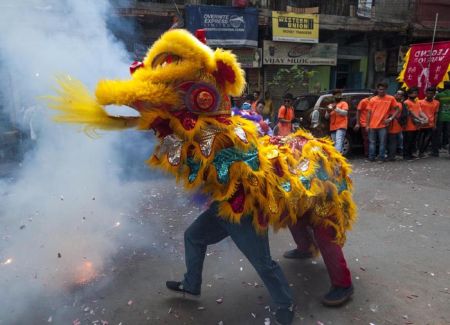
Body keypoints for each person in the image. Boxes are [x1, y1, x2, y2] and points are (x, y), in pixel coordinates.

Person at [283, 212, 354, 307]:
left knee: (324, 231)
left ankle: (343, 285)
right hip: (296, 199)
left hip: (323, 202)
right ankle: (306, 248)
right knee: (292, 217)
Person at [366, 82, 398, 162]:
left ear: (386, 90)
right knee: (372, 143)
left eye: (383, 89)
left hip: (383, 125)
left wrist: (390, 118)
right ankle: (371, 158)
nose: (381, 91)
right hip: (372, 125)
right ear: (377, 89)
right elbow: (368, 113)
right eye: (380, 89)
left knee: (382, 143)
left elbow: (397, 109)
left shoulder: (391, 98)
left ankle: (381, 158)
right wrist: (367, 125)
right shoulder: (373, 99)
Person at [402, 87, 428, 160]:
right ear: (409, 94)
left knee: (413, 141)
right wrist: (420, 119)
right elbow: (411, 113)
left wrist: (426, 118)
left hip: (416, 125)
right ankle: (406, 155)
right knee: (408, 141)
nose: (415, 94)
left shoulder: (416, 102)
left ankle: (410, 154)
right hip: (408, 125)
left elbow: (420, 111)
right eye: (413, 93)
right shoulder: (406, 102)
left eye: (416, 93)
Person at [418, 87, 440, 157]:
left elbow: (436, 114)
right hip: (421, 123)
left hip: (430, 124)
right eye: (428, 93)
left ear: (434, 94)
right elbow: (418, 112)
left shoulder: (437, 103)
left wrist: (435, 124)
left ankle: (422, 152)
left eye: (431, 94)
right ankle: (420, 151)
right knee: (420, 139)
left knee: (427, 139)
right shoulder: (420, 102)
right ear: (425, 93)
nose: (429, 95)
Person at [325, 89, 348, 153]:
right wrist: (327, 111)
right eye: (336, 95)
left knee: (339, 141)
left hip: (341, 126)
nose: (338, 96)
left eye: (339, 94)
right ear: (333, 96)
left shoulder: (344, 103)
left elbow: (345, 113)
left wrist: (336, 108)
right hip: (333, 127)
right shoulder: (330, 105)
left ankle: (337, 158)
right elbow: (326, 117)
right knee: (334, 143)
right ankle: (335, 157)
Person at [355, 91, 377, 157]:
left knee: (372, 139)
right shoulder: (364, 101)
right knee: (367, 139)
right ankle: (367, 153)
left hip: (374, 123)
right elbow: (358, 111)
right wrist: (357, 123)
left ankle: (371, 153)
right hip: (364, 123)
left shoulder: (375, 102)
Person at [387, 90, 405, 161]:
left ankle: (391, 156)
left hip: (394, 124)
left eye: (399, 94)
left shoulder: (398, 104)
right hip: (394, 125)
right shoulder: (396, 103)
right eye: (396, 93)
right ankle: (391, 155)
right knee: (392, 141)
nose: (397, 95)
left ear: (402, 97)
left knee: (392, 141)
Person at [433, 81, 450, 156]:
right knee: (447, 133)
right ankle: (445, 145)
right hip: (448, 117)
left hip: (440, 116)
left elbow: (435, 104)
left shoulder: (439, 95)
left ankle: (437, 149)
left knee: (438, 133)